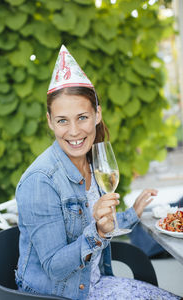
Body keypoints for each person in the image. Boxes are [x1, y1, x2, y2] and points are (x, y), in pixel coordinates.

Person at [15, 45, 182, 300]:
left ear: (97, 114)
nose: (73, 131)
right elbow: (55, 268)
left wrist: (130, 215)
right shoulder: (40, 181)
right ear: (50, 121)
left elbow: (98, 224)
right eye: (62, 120)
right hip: (59, 294)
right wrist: (98, 232)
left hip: (93, 284)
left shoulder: (93, 162)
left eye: (82, 117)